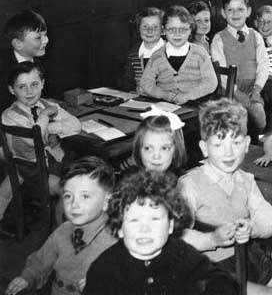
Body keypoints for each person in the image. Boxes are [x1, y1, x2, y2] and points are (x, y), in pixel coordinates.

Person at [179, 98, 272, 295]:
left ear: (247, 144)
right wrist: (211, 239)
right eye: (219, 144)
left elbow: (269, 219)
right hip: (211, 269)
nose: (228, 152)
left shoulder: (245, 180)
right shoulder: (191, 184)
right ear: (204, 148)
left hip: (248, 256)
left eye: (236, 142)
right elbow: (176, 236)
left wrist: (253, 228)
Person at [84, 170, 239, 295]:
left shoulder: (180, 251)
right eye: (134, 221)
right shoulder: (104, 268)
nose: (145, 229)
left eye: (155, 219)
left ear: (170, 226)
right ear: (119, 229)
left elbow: (216, 278)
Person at [5, 157, 117, 295]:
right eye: (68, 196)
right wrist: (27, 277)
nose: (74, 204)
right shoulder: (63, 230)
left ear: (107, 201)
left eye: (85, 196)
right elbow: (41, 260)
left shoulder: (114, 244)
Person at [0, 62, 82, 230]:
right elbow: (34, 139)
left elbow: (75, 125)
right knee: (69, 190)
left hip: (55, 162)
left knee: (90, 173)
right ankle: (60, 234)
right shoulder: (10, 116)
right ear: (11, 89)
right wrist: (45, 116)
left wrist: (51, 129)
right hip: (33, 171)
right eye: (22, 87)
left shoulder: (46, 104)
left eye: (34, 84)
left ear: (43, 84)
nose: (29, 91)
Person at [211, 0, 269, 137]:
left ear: (248, 11)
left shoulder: (256, 36)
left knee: (260, 117)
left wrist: (257, 90)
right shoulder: (219, 39)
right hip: (229, 92)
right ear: (223, 13)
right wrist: (237, 93)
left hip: (252, 91)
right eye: (230, 10)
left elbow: (263, 66)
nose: (235, 14)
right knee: (239, 122)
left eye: (240, 9)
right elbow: (222, 74)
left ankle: (256, 142)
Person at [141, 5, 217, 105]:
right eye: (172, 29)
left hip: (196, 106)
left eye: (182, 29)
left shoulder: (200, 53)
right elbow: (146, 82)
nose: (177, 34)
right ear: (164, 30)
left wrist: (188, 96)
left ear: (190, 30)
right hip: (167, 106)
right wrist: (164, 95)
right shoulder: (157, 56)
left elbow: (211, 83)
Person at [0, 10, 49, 111]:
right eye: (38, 38)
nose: (46, 40)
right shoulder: (3, 68)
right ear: (18, 44)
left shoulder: (42, 63)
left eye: (45, 35)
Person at [118, 109, 187, 176]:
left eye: (164, 148)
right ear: (139, 150)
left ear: (176, 151)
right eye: (148, 148)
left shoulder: (183, 184)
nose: (156, 156)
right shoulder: (130, 181)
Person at [118, 7, 165, 93]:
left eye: (155, 27)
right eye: (145, 26)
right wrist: (134, 88)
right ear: (138, 29)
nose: (149, 31)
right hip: (141, 101)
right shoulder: (133, 53)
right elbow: (127, 81)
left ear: (162, 30)